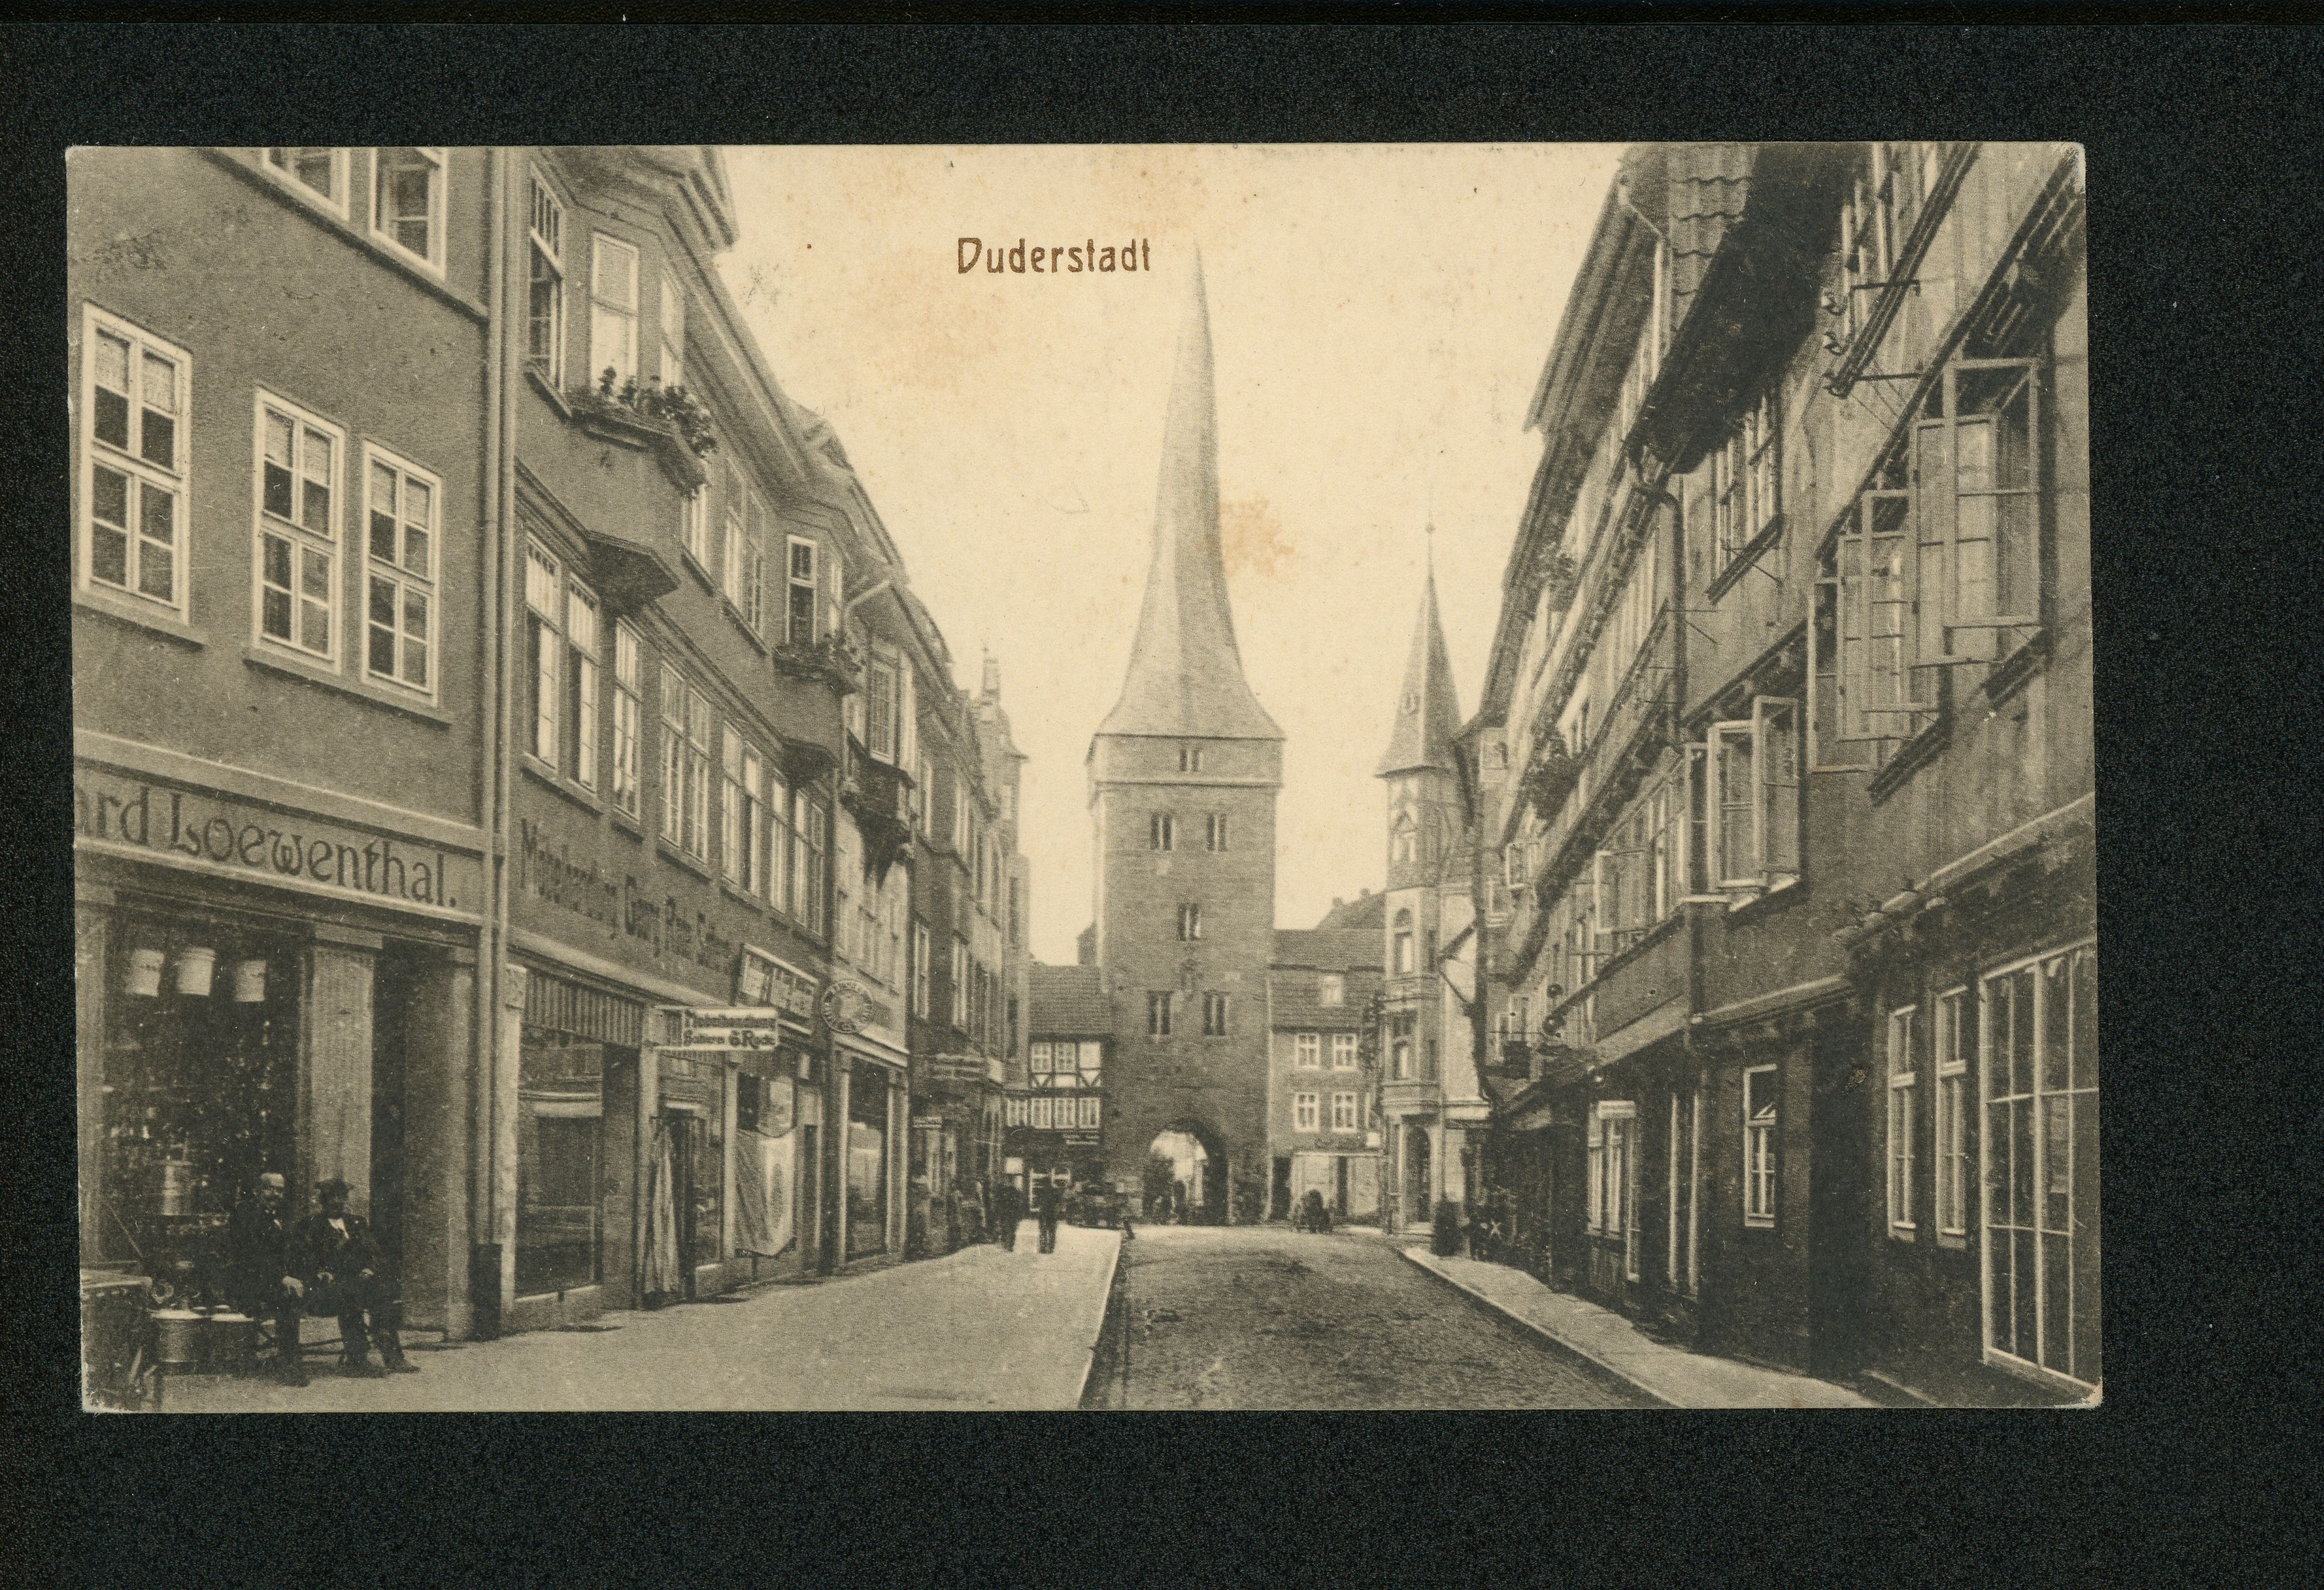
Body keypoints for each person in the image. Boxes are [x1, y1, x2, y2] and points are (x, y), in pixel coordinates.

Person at [294, 1179, 416, 1376]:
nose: (337, 1202)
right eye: (332, 1197)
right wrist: (320, 1271)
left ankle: (393, 1356)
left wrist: (370, 1269)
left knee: (384, 1293)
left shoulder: (357, 1223)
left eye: (341, 1197)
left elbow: (374, 1252)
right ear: (323, 1200)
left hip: (359, 1280)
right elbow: (305, 1257)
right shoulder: (310, 1225)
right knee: (350, 1297)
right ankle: (357, 1360)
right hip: (328, 1285)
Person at [226, 1172, 308, 1386]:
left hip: (276, 1279)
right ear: (257, 1191)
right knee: (288, 1296)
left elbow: (293, 1251)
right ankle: (290, 1364)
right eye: (270, 1189)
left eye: (280, 1190)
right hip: (250, 1281)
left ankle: (357, 1358)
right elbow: (252, 1254)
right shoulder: (245, 1214)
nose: (275, 1194)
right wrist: (282, 1277)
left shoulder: (282, 1215)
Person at [1033, 1175, 1063, 1255]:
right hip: (1052, 1214)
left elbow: (1038, 1202)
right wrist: (1057, 1212)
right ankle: (1051, 1248)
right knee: (1052, 1232)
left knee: (1043, 1231)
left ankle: (1043, 1248)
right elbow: (1059, 1203)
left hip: (1044, 1213)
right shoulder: (1055, 1191)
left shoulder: (1041, 1191)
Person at [992, 1177, 1022, 1251]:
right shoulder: (1016, 1191)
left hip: (1007, 1214)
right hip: (1010, 1214)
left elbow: (998, 1203)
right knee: (1010, 1229)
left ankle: (1007, 1245)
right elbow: (1020, 1204)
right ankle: (1009, 1245)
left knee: (1007, 1229)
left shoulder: (1004, 1191)